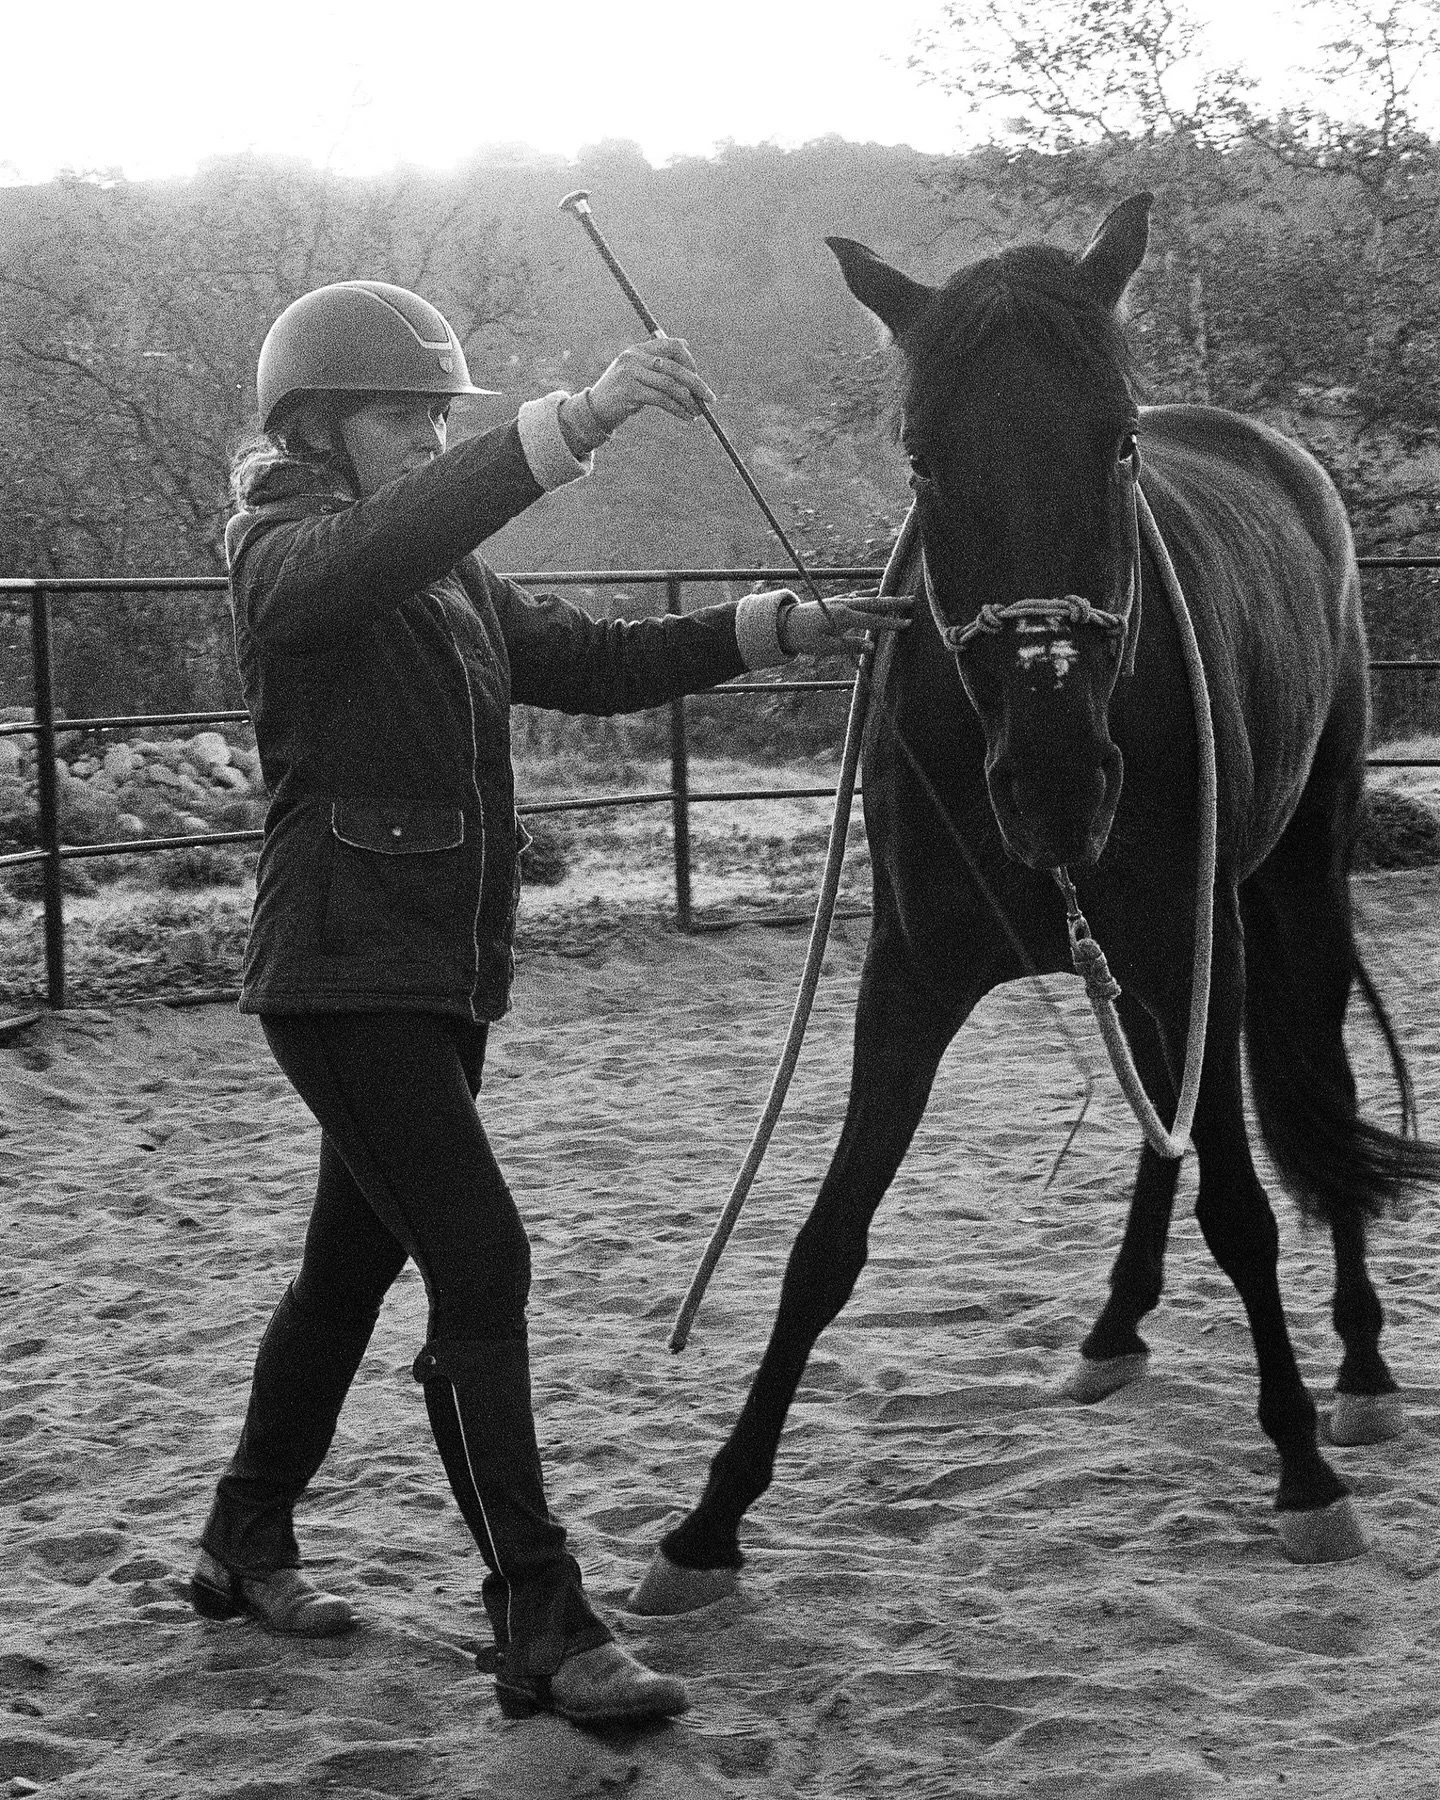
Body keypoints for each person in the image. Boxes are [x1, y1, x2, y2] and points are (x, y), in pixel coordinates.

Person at [190, 278, 908, 1728]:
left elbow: (600, 663)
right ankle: (539, 1614)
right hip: (338, 980)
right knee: (481, 1258)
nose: (424, 438)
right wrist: (574, 421)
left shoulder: (442, 578)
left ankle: (239, 1537)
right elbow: (370, 554)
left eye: (437, 416)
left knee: (349, 1270)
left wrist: (783, 624)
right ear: (317, 427)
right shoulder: (279, 550)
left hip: (438, 976)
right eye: (402, 414)